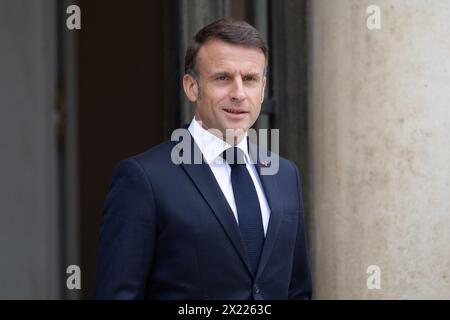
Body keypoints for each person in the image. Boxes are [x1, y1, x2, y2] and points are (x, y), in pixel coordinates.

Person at [95, 18, 312, 300]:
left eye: (249, 79)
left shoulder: (285, 174)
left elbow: (298, 291)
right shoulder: (143, 179)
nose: (238, 93)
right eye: (222, 78)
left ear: (263, 88)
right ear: (192, 87)